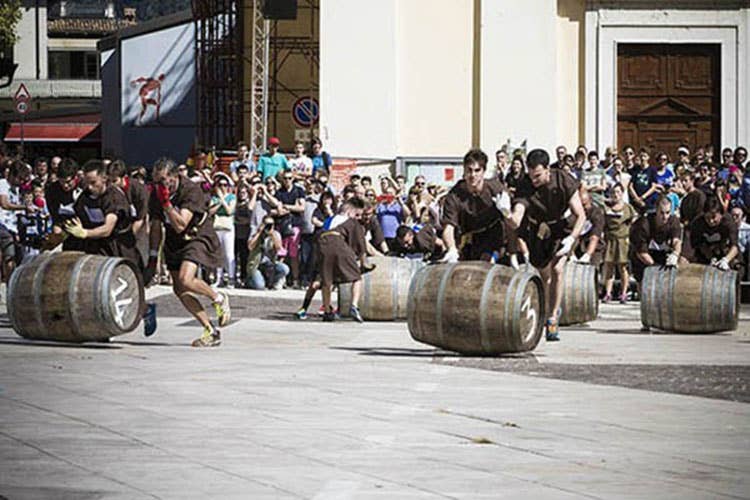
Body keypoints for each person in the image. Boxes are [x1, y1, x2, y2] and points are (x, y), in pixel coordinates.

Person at [62, 159, 156, 335]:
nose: (90, 187)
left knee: (125, 287)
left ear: (104, 179)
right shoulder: (84, 197)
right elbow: (78, 217)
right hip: (95, 246)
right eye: (86, 183)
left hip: (119, 245)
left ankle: (146, 310)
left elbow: (107, 228)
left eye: (93, 183)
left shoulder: (114, 197)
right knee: (95, 288)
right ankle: (103, 327)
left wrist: (85, 233)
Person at [145, 158, 230, 348]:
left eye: (162, 180)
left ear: (174, 177)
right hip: (175, 242)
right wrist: (152, 257)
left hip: (196, 236)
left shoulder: (190, 190)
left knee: (186, 278)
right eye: (156, 181)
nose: (159, 185)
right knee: (179, 289)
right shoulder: (156, 194)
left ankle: (218, 298)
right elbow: (156, 225)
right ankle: (210, 330)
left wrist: (166, 203)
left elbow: (181, 224)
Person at [509, 148, 586, 341]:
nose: (533, 180)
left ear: (547, 170)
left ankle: (552, 318)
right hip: (537, 230)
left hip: (561, 228)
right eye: (531, 175)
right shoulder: (525, 184)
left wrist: (572, 238)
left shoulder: (563, 179)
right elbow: (519, 211)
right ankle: (544, 309)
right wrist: (511, 217)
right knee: (544, 275)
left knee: (558, 270)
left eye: (538, 176)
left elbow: (581, 215)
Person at [439, 149, 511, 264]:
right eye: (469, 170)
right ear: (464, 170)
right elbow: (448, 228)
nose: (473, 175)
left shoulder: (495, 188)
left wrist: (507, 212)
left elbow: (511, 222)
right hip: (469, 239)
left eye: (477, 170)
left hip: (494, 237)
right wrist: (451, 249)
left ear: (484, 171)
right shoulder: (454, 195)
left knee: (486, 263)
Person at [315, 196, 373, 322]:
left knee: (327, 280)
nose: (358, 218)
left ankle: (327, 311)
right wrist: (364, 263)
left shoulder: (330, 219)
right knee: (356, 277)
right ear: (349, 212)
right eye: (357, 214)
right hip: (338, 242)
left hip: (322, 244)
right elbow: (361, 247)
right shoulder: (352, 222)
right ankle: (354, 306)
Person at [629, 195, 683, 284]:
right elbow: (641, 253)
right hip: (643, 258)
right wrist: (656, 268)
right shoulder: (643, 224)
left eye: (667, 212)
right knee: (643, 281)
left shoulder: (673, 221)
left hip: (661, 254)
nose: (665, 216)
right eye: (661, 213)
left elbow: (676, 241)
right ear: (656, 210)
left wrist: (675, 254)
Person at [0, 160, 37, 281]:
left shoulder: (16, 189)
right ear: (12, 175)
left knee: (19, 253)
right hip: (2, 224)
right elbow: (5, 204)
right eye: (20, 179)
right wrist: (24, 207)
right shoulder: (3, 184)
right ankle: (9, 282)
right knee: (9, 254)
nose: (21, 182)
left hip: (11, 226)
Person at [602, 183, 636, 303]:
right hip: (610, 239)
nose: (615, 195)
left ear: (622, 193)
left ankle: (624, 293)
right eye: (613, 192)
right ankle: (607, 293)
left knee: (622, 267)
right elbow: (603, 223)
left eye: (618, 192)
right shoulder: (606, 207)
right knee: (609, 266)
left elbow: (634, 221)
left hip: (622, 240)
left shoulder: (628, 208)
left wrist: (629, 235)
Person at [689, 196, 739, 271]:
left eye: (714, 217)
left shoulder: (728, 222)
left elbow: (734, 247)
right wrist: (711, 257)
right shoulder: (697, 223)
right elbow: (698, 244)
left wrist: (726, 260)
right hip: (705, 253)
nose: (711, 221)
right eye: (707, 217)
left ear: (721, 214)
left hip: (725, 251)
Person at [274, 171, 306, 287]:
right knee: (281, 253)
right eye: (285, 178)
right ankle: (280, 278)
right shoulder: (279, 192)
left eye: (289, 178)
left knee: (294, 255)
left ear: (293, 179)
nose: (287, 180)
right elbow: (278, 208)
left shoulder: (299, 191)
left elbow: (302, 208)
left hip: (295, 225)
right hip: (282, 225)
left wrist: (287, 206)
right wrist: (293, 207)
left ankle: (295, 279)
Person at [209, 172, 237, 288]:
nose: (223, 187)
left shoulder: (232, 197)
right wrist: (220, 201)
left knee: (229, 254)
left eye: (225, 185)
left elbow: (230, 211)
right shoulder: (214, 198)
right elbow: (210, 211)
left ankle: (231, 278)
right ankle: (219, 278)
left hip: (228, 228)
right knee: (218, 254)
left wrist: (222, 199)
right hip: (217, 227)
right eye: (220, 185)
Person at [246, 216, 289, 290]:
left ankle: (275, 281)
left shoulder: (276, 234)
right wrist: (259, 233)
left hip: (270, 264)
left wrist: (272, 234)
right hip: (256, 265)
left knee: (284, 268)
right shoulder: (255, 233)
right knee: (260, 286)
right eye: (267, 224)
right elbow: (250, 246)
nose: (269, 226)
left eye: (271, 224)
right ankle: (250, 280)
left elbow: (279, 248)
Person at [571, 188, 605, 266]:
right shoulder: (573, 212)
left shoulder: (597, 214)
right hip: (576, 245)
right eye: (580, 205)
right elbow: (568, 233)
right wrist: (571, 254)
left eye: (585, 204)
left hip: (593, 247)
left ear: (590, 201)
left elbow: (595, 236)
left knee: (592, 270)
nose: (583, 208)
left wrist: (587, 255)